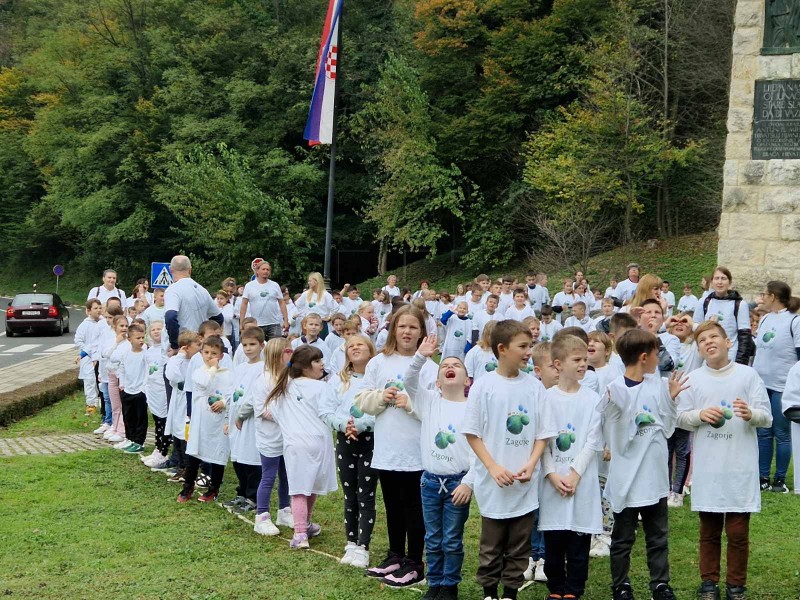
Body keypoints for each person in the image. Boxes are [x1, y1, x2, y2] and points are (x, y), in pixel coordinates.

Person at [677, 321, 772, 600]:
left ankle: (736, 586)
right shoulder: (693, 379)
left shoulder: (748, 375)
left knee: (738, 532)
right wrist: (699, 415)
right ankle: (709, 584)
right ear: (699, 349)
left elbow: (766, 416)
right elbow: (680, 418)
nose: (709, 342)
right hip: (709, 467)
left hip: (739, 465)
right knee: (709, 529)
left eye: (714, 336)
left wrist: (750, 413)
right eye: (702, 340)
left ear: (727, 341)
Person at [463, 319, 557, 600]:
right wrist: (492, 467)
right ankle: (489, 591)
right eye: (523, 346)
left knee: (519, 544)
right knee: (491, 543)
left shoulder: (534, 387)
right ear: (502, 349)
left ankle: (510, 592)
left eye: (529, 346)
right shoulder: (484, 386)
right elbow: (472, 433)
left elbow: (543, 433)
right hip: (494, 483)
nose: (529, 352)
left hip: (524, 483)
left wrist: (532, 463)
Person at [599, 329, 688, 600]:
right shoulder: (613, 390)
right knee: (623, 539)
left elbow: (669, 429)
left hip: (655, 477)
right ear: (644, 357)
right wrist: (618, 409)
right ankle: (621, 586)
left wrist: (671, 400)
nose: (660, 358)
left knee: (657, 537)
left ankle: (660, 584)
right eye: (657, 353)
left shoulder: (659, 385)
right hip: (626, 478)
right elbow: (615, 438)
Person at [354, 305, 438, 587]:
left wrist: (410, 404)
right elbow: (361, 399)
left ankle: (415, 561)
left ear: (422, 333)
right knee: (392, 505)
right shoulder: (379, 363)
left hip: (415, 451)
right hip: (387, 450)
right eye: (402, 326)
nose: (407, 331)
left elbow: (436, 410)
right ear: (393, 329)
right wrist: (381, 396)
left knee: (414, 507)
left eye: (413, 327)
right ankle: (395, 555)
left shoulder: (430, 368)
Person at [403, 335, 473, 600]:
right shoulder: (429, 401)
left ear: (467, 381)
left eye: (456, 365)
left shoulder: (472, 409)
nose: (449, 366)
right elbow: (409, 381)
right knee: (433, 538)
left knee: (452, 539)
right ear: (437, 381)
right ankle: (435, 583)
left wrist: (470, 481)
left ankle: (450, 585)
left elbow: (480, 450)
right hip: (430, 483)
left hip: (458, 484)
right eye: (444, 365)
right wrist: (421, 356)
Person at [539, 334, 604, 600]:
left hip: (582, 479)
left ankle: (574, 589)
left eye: (585, 360)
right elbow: (541, 441)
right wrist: (552, 474)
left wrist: (575, 473)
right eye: (576, 360)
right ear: (558, 363)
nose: (582, 365)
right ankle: (556, 587)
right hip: (553, 479)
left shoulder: (591, 399)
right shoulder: (545, 398)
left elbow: (593, 439)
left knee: (579, 540)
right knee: (555, 539)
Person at [266, 345, 338, 549]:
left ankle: (300, 532)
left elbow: (275, 413)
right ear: (306, 367)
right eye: (317, 361)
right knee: (310, 484)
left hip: (296, 444)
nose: (322, 364)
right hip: (319, 443)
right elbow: (330, 410)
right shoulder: (322, 387)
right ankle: (303, 526)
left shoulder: (283, 388)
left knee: (299, 487)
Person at [319, 334, 378, 568]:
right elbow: (325, 410)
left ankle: (363, 546)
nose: (354, 348)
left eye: (359, 344)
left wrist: (362, 425)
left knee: (366, 495)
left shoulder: (376, 380)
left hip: (371, 442)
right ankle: (351, 542)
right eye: (350, 346)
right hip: (345, 441)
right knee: (350, 495)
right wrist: (344, 426)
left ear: (370, 350)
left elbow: (383, 407)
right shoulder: (338, 380)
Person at [752, 280, 800, 494]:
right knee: (763, 432)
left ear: (773, 296)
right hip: (762, 385)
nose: (762, 298)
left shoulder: (795, 321)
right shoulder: (765, 319)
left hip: (782, 385)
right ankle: (763, 477)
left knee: (781, 433)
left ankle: (779, 479)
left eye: (765, 294)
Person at [178, 335, 234, 503]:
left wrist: (224, 402)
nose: (210, 356)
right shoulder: (199, 372)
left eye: (214, 353)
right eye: (207, 352)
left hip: (218, 421)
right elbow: (203, 382)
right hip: (201, 418)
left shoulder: (228, 374)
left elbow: (232, 393)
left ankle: (214, 488)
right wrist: (212, 369)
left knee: (217, 453)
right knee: (194, 453)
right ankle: (188, 487)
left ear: (221, 355)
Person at [250, 338, 294, 536]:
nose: (291, 354)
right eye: (287, 351)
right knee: (268, 476)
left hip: (288, 436)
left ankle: (284, 510)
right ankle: (261, 516)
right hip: (270, 437)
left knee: (287, 475)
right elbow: (262, 410)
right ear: (277, 355)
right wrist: (286, 416)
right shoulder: (263, 380)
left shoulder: (290, 378)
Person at [222, 327, 267, 516]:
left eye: (252, 344)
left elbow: (258, 395)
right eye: (245, 345)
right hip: (236, 419)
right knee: (238, 458)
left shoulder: (264, 368)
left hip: (251, 420)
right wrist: (228, 417)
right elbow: (232, 391)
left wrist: (244, 413)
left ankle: (252, 497)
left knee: (251, 458)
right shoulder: (239, 368)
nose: (248, 349)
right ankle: (241, 492)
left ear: (261, 345)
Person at [164, 255, 223, 354]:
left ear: (170, 270)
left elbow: (170, 317)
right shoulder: (202, 290)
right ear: (190, 270)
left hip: (183, 347)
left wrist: (175, 345)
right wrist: (207, 336)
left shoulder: (173, 290)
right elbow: (218, 317)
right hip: (200, 346)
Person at [164, 330, 202, 484]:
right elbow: (172, 375)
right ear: (186, 347)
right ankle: (181, 466)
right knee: (178, 434)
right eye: (197, 345)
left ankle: (188, 468)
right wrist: (179, 356)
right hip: (179, 402)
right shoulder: (176, 361)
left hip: (191, 402)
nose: (200, 348)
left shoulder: (198, 360)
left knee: (186, 434)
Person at [693, 267, 752, 365]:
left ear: (729, 282)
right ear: (711, 282)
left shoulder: (739, 304)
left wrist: (741, 363)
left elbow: (745, 337)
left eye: (723, 278)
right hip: (708, 358)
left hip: (730, 357)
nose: (720, 282)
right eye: (716, 278)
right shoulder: (704, 302)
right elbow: (696, 328)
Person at [141, 320, 170, 468]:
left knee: (163, 421)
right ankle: (158, 447)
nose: (157, 331)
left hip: (162, 390)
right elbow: (147, 370)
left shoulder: (165, 350)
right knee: (156, 420)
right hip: (152, 390)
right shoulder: (148, 351)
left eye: (160, 329)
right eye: (153, 330)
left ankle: (163, 451)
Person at [117, 323, 149, 454]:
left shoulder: (145, 355)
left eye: (142, 337)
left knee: (140, 417)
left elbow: (147, 371)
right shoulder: (126, 354)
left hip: (139, 391)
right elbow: (122, 369)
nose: (141, 340)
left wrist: (143, 388)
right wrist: (122, 384)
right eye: (138, 338)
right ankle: (130, 438)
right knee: (128, 416)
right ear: (129, 339)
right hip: (127, 390)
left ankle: (139, 441)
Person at [239, 260, 289, 342]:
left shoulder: (275, 285)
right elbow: (244, 305)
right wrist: (241, 323)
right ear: (257, 271)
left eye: (268, 270)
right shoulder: (249, 286)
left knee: (275, 349)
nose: (266, 271)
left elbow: (282, 303)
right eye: (263, 269)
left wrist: (286, 320)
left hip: (274, 323)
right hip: (257, 324)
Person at [75, 299, 104, 416]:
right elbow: (78, 341)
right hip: (88, 359)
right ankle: (90, 405)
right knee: (90, 381)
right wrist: (90, 353)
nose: (98, 310)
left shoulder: (103, 323)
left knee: (101, 381)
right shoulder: (84, 325)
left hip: (101, 358)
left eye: (99, 308)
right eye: (95, 308)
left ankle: (101, 402)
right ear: (88, 311)